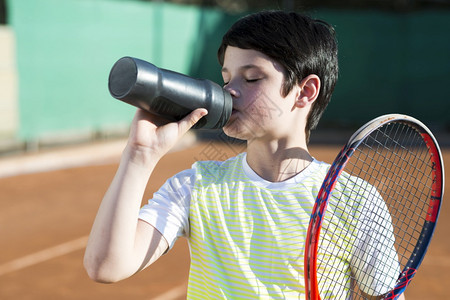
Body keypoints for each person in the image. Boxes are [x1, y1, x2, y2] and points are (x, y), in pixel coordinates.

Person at [84, 10, 404, 299]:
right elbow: (105, 267)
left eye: (252, 78)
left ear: (305, 92)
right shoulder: (195, 187)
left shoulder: (355, 202)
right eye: (226, 78)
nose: (230, 91)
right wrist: (139, 156)